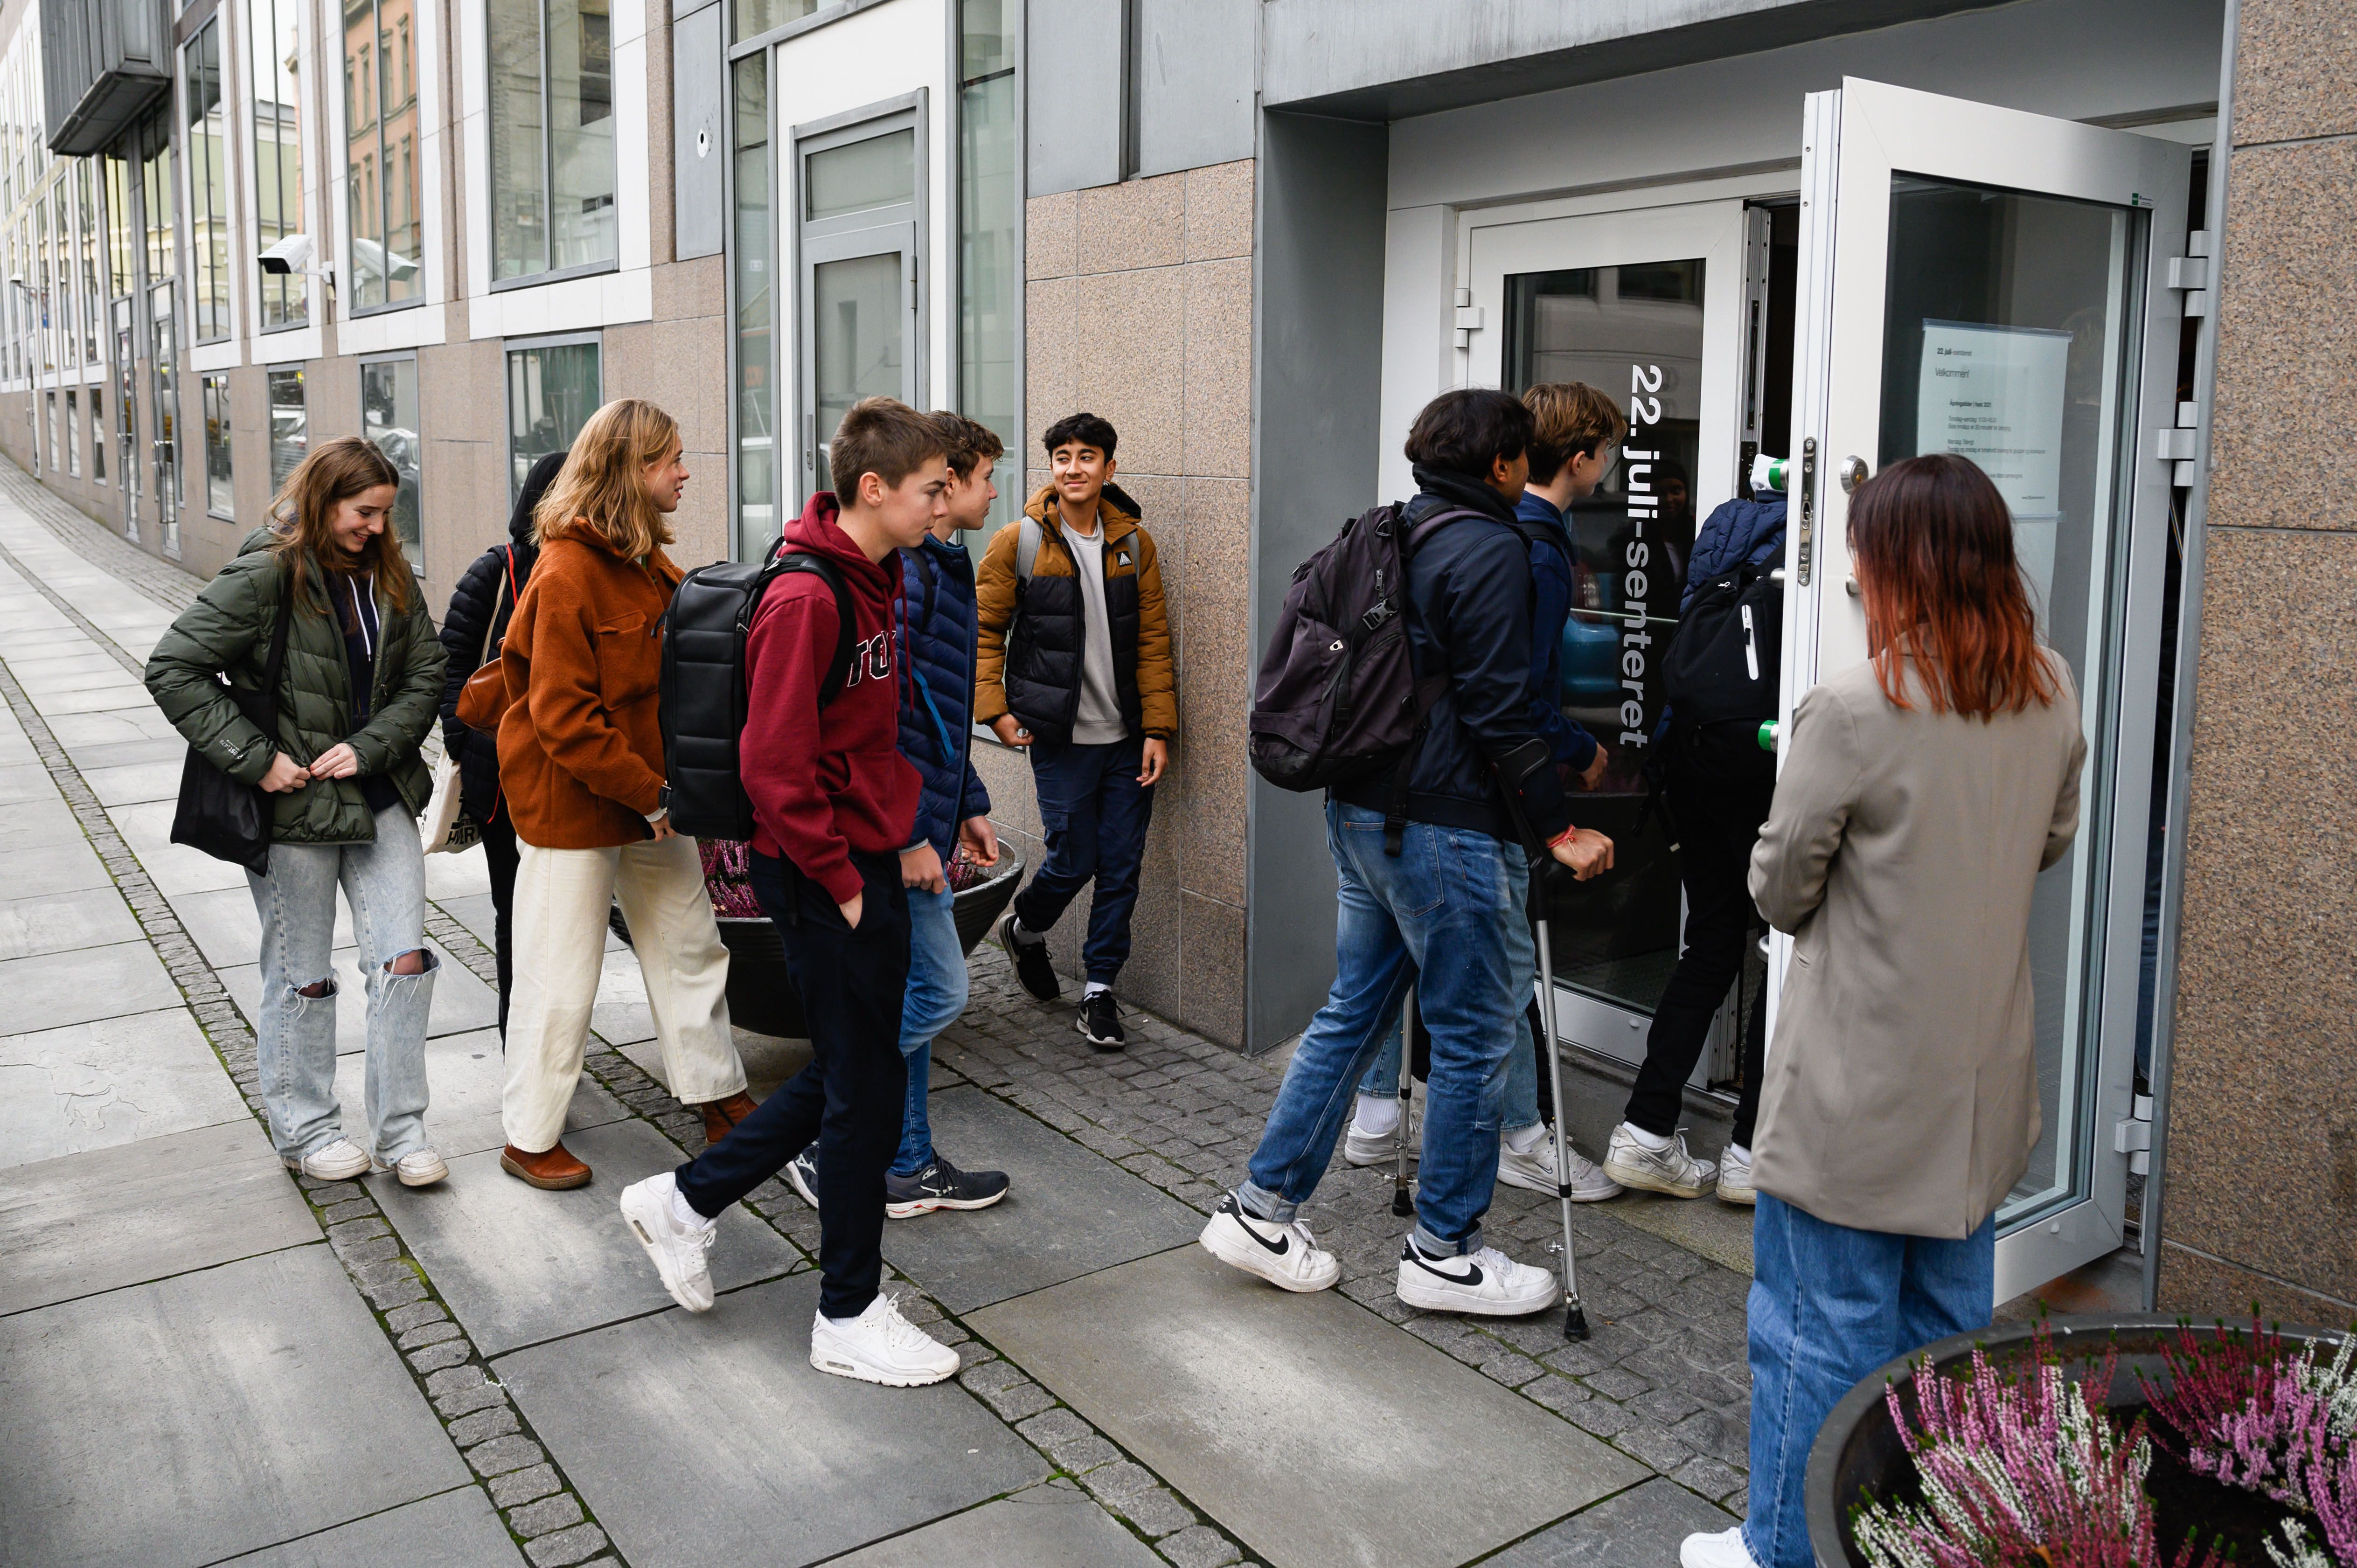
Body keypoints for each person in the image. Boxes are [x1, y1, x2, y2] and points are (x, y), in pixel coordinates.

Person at [1681, 453, 2085, 1568]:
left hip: (1853, 1094)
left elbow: (1775, 884)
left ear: (1890, 566)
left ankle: (1782, 1550)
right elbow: (2043, 845)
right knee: (1944, 1342)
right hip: (1975, 1094)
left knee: (1813, 1337)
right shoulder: (2049, 692)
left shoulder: (1852, 708)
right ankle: (1911, 1540)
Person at [1198, 389, 1614, 1317]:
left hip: (1361, 812)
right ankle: (1446, 1253)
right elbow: (1503, 707)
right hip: (1445, 825)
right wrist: (1557, 825)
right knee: (1471, 1035)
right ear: (1505, 466)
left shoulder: (1388, 528)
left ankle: (1261, 1210)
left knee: (1352, 1013)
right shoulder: (1495, 546)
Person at [616, 396, 966, 1387]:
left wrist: (898, 840)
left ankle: (684, 1203)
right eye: (930, 489)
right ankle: (847, 1314)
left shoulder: (878, 576)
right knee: (863, 1092)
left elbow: (862, 740)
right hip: (829, 876)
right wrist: (843, 879)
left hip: (865, 860)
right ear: (874, 489)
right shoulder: (810, 597)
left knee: (863, 1075)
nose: (943, 504)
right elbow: (775, 767)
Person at [1342, 382, 1624, 1206]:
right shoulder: (1522, 547)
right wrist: (1567, 783)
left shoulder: (1413, 527)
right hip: (1463, 799)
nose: (1606, 467)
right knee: (1495, 983)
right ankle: (1510, 1145)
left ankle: (1350, 1135)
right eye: (1603, 451)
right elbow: (1510, 700)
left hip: (1382, 792)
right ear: (1574, 457)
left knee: (1371, 982)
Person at [146, 437, 450, 1186]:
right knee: (302, 976)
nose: (376, 528)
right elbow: (173, 666)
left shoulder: (392, 577)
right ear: (321, 500)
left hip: (379, 797)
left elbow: (428, 672)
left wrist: (374, 744)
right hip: (293, 814)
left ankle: (402, 1133)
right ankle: (307, 1128)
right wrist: (257, 757)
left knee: (403, 962)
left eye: (385, 513)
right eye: (363, 512)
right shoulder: (264, 573)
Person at [493, 399, 753, 1190]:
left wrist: (665, 793)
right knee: (558, 972)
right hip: (579, 802)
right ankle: (528, 1134)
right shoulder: (567, 570)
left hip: (651, 798)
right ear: (632, 470)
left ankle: (719, 1096)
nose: (684, 472)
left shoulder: (643, 560)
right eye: (671, 459)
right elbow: (563, 720)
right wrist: (655, 796)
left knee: (690, 946)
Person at [784, 410, 1012, 1221]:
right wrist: (915, 830)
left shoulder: (937, 565)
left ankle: (906, 1160)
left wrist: (970, 805)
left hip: (920, 818)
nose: (992, 490)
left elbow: (938, 713)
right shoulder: (908, 574)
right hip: (895, 831)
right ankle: (818, 1137)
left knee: (917, 988)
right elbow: (888, 727)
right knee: (936, 994)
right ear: (941, 486)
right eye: (983, 476)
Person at [1602, 473, 1787, 1202]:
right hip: (1777, 756)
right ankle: (1750, 1151)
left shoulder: (1725, 525)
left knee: (1710, 941)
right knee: (1786, 946)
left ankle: (1645, 1130)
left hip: (1699, 756)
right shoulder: (1826, 532)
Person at [975, 412, 1176, 1051]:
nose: (1073, 467)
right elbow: (982, 631)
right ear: (1051, 467)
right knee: (1076, 856)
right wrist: (995, 710)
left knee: (1121, 864)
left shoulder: (1134, 545)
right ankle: (1025, 929)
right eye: (1062, 456)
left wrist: (1159, 728)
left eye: (1086, 456)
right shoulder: (1021, 542)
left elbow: (1152, 641)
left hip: (1124, 739)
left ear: (1109, 468)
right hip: (1057, 738)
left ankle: (1099, 991)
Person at [436, 449, 564, 1040]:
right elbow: (452, 665)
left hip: (571, 781)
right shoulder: (498, 570)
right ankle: (521, 1047)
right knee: (517, 917)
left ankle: (556, 1050)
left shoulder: (601, 568)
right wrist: (467, 744)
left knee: (565, 927)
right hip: (503, 783)